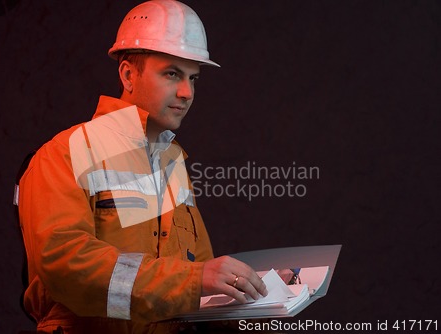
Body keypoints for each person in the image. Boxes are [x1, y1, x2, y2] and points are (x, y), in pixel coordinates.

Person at [15, 1, 267, 333]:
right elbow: (67, 266)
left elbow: (201, 276)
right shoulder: (66, 153)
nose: (186, 92)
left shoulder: (171, 164)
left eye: (193, 78)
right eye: (172, 73)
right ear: (128, 74)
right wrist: (195, 281)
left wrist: (252, 301)